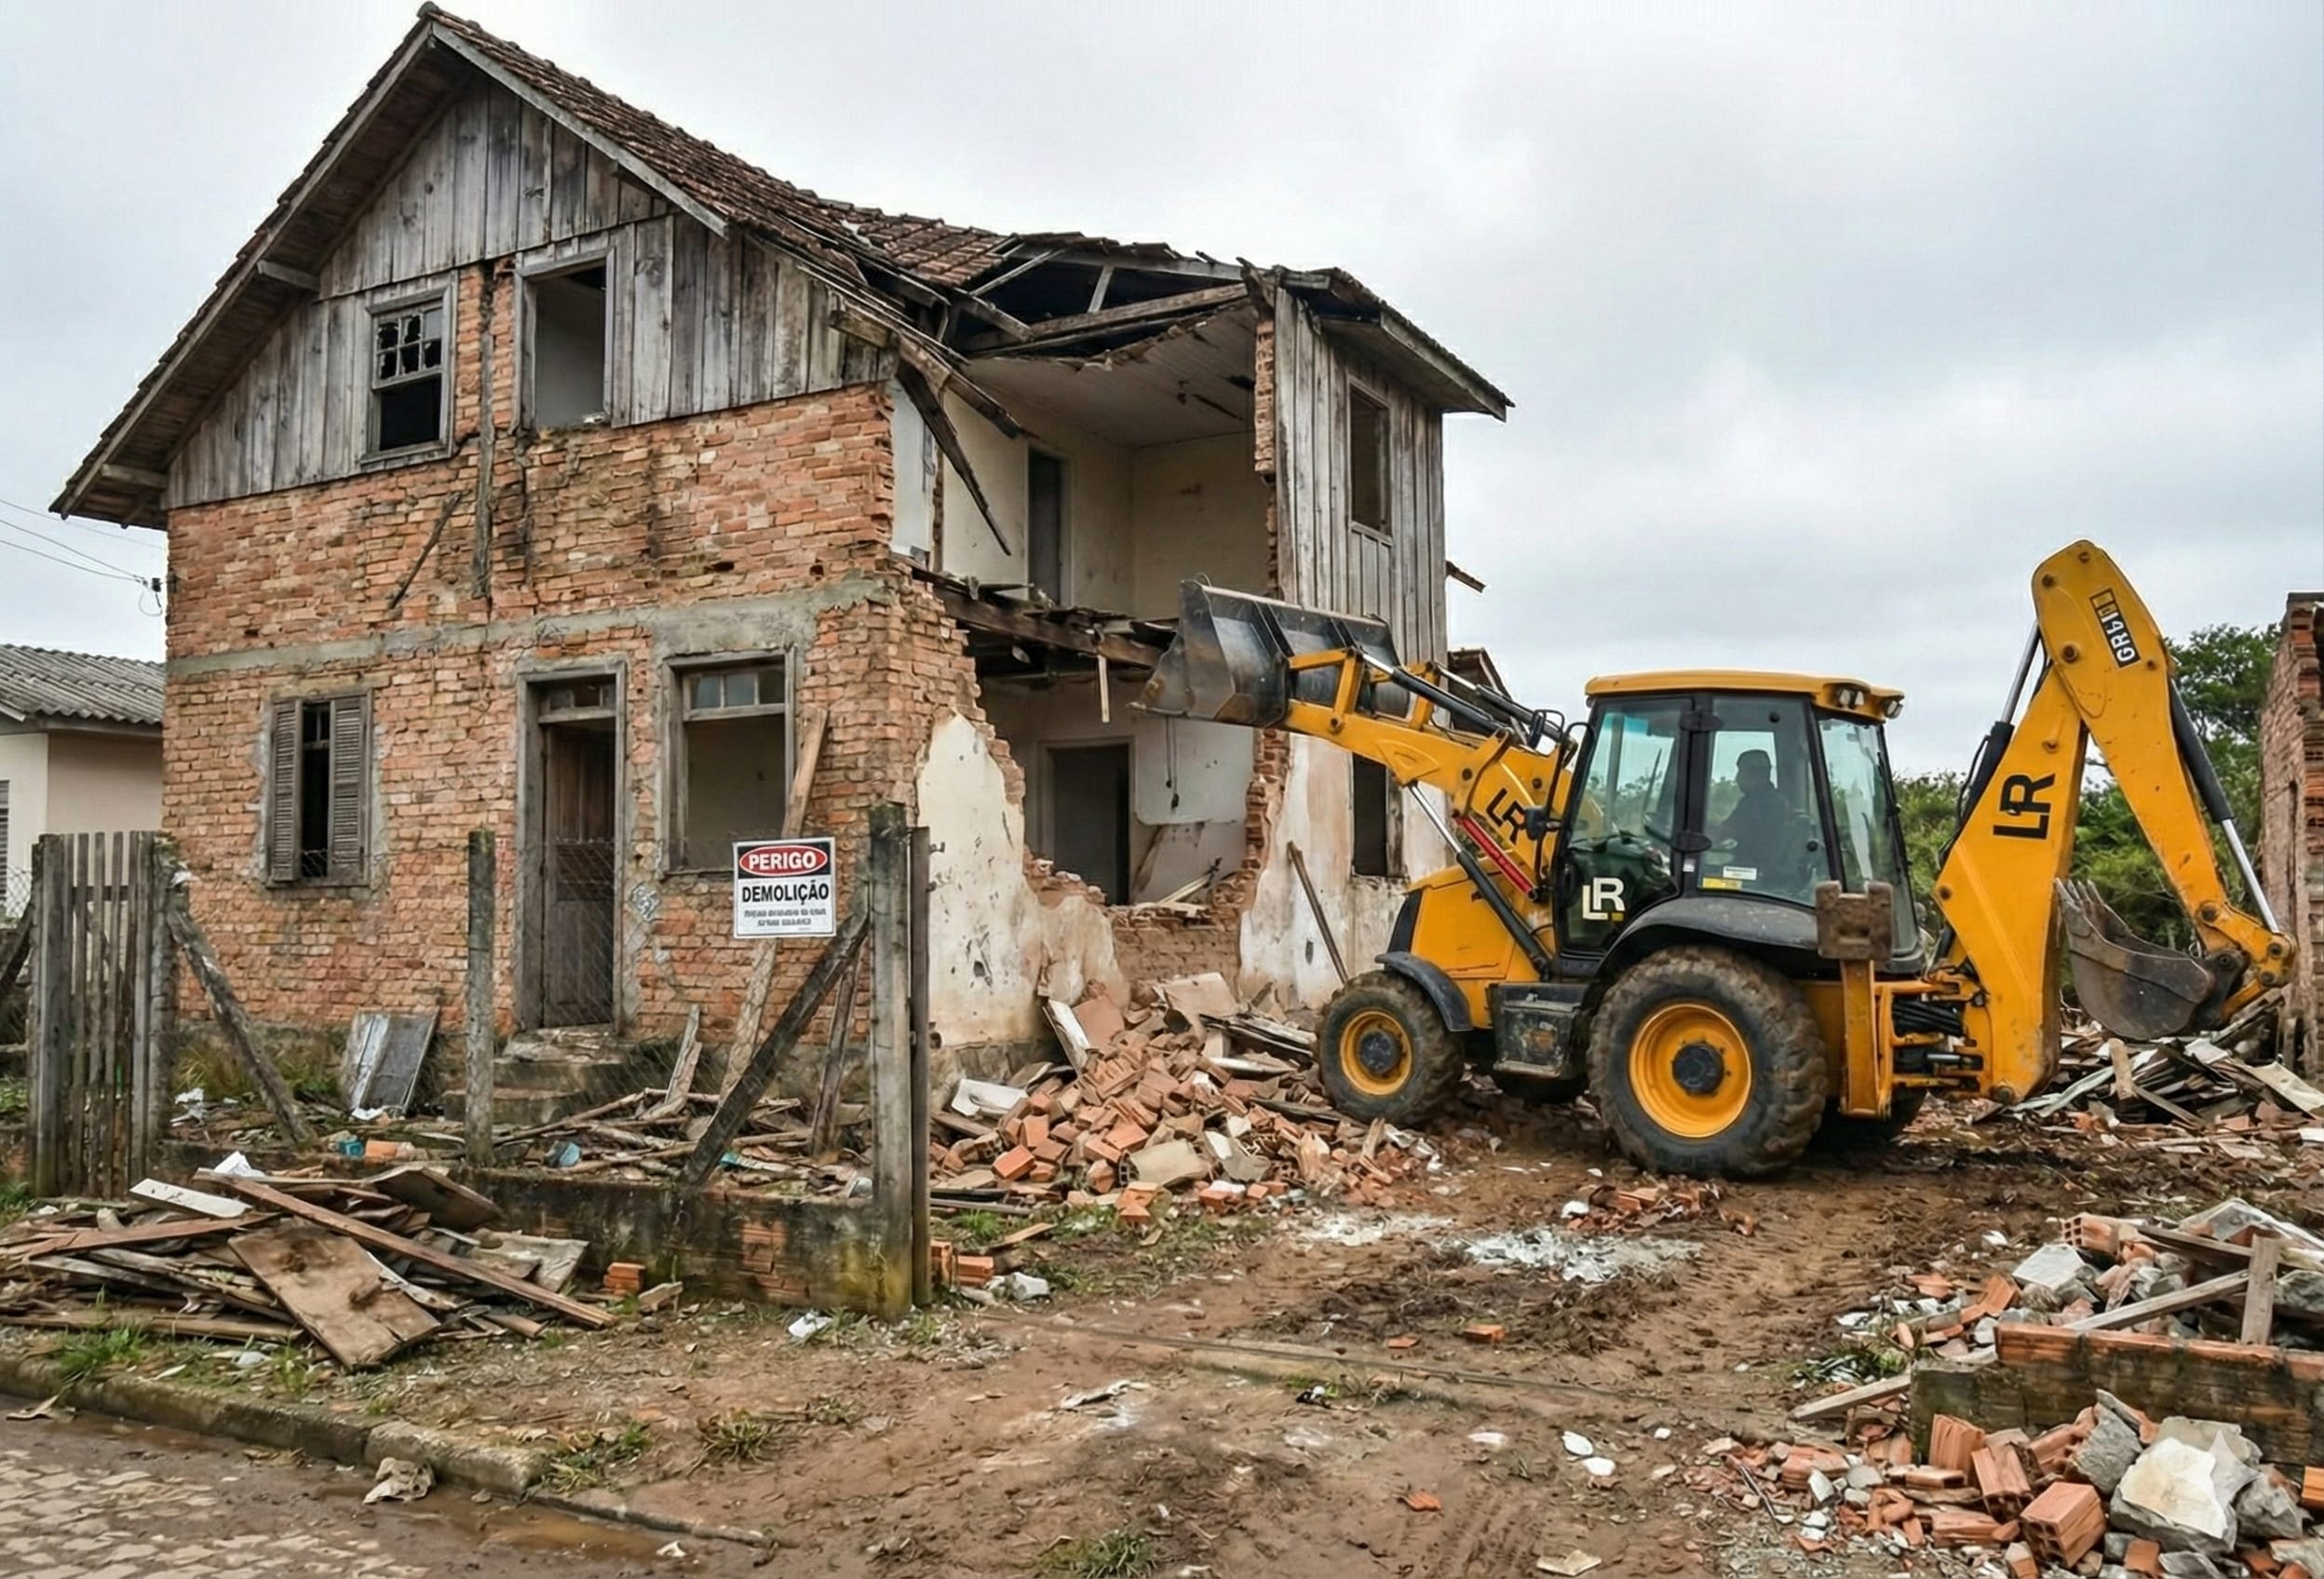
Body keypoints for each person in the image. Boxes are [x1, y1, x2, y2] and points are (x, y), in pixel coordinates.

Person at [1716, 749, 1793, 875]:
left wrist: (1705, 835)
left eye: (1741, 772)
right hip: (1759, 868)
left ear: (1756, 774)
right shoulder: (1774, 799)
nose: (1737, 778)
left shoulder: (1758, 803)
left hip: (1755, 871)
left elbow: (1727, 830)